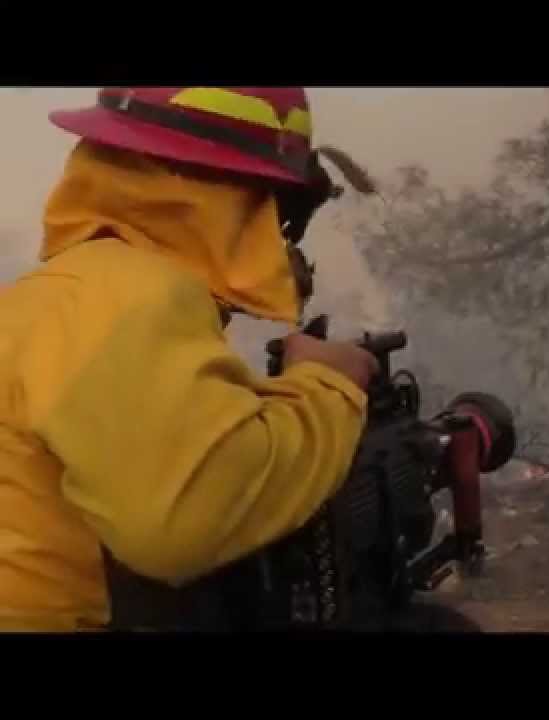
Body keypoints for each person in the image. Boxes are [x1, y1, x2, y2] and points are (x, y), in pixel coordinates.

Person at [0, 87, 379, 631]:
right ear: (255, 199)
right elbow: (183, 519)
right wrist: (327, 384)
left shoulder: (58, 294)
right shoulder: (136, 297)